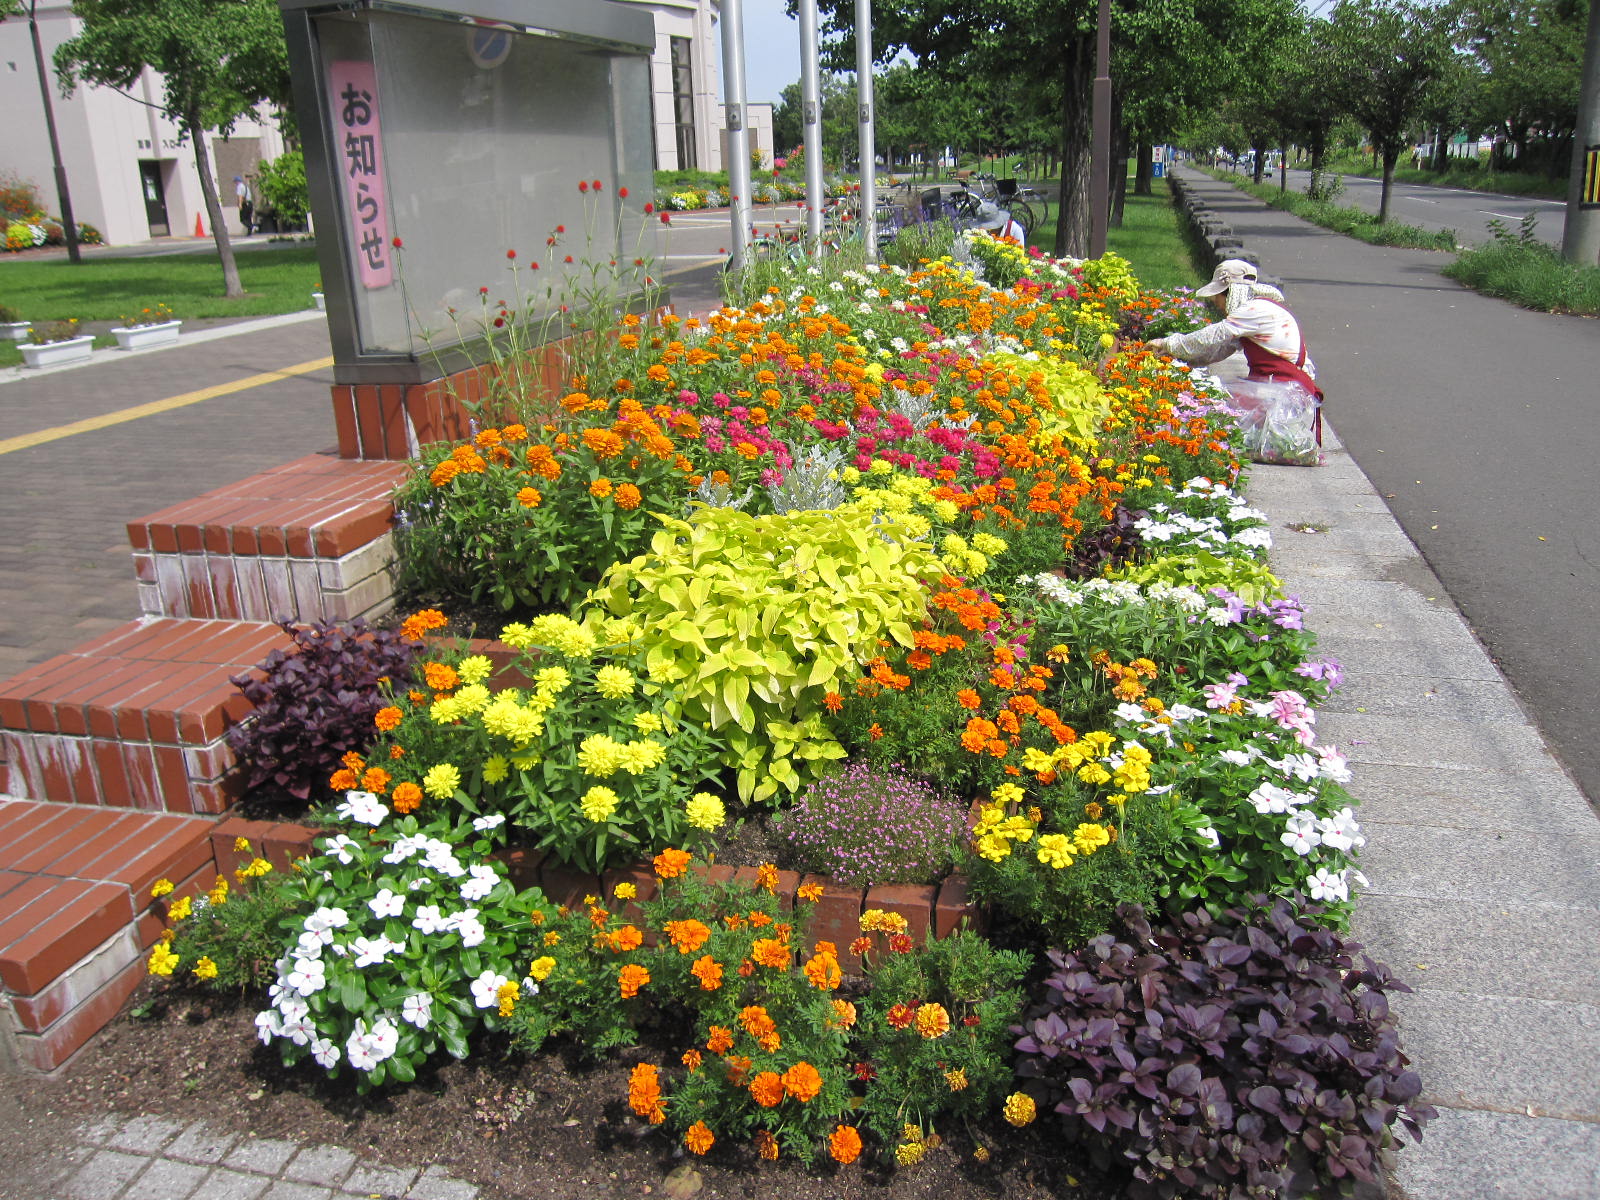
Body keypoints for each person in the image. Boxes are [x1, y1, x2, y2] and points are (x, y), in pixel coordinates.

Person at [1146, 258, 1322, 404]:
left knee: (1223, 405)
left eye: (1217, 295)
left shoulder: (1254, 310)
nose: (1216, 302)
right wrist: (1179, 358)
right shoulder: (1259, 310)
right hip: (1282, 387)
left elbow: (1210, 336)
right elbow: (1220, 349)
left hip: (1284, 390)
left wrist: (1167, 343)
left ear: (1230, 293)